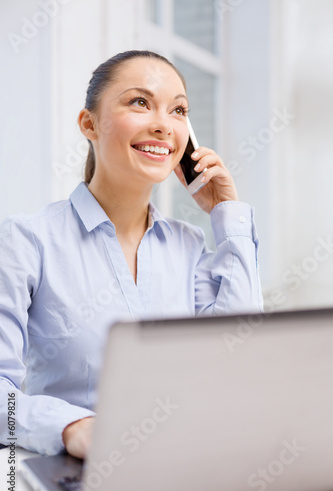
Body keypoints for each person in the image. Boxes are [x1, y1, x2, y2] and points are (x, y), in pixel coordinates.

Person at [0, 50, 263, 459]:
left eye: (178, 110)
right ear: (89, 123)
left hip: (183, 464)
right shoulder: (26, 240)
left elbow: (237, 359)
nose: (162, 125)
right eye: (140, 102)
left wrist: (225, 213)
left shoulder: (188, 245)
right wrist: (71, 427)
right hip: (79, 470)